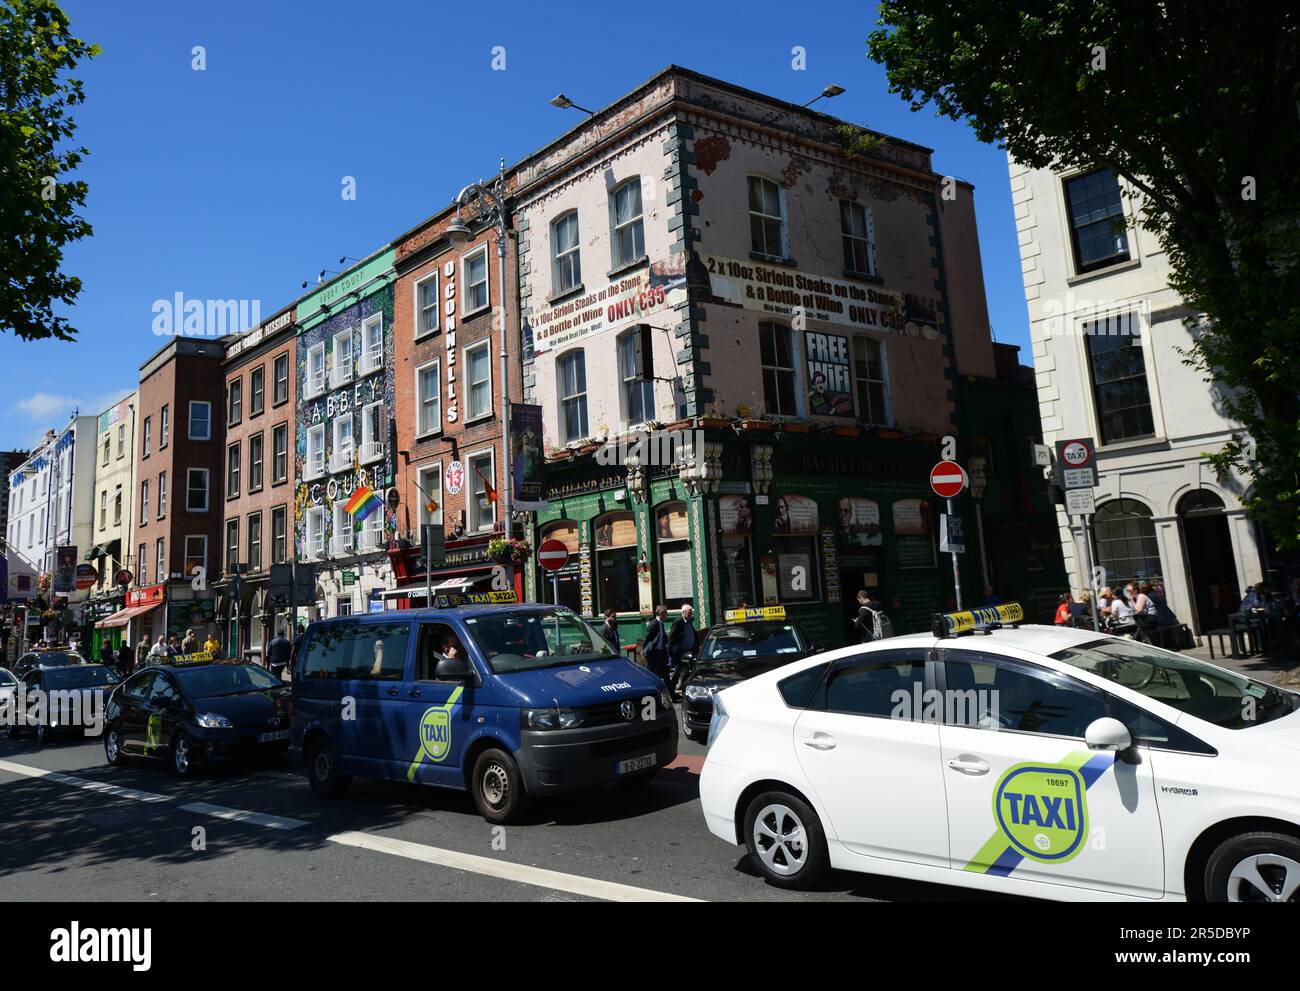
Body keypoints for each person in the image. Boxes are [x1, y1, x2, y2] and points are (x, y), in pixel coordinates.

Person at [666, 603, 699, 695]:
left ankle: (682, 688)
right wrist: (672, 651)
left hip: (688, 652)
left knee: (685, 671)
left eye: (691, 613)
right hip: (679, 652)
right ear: (684, 613)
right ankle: (671, 691)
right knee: (677, 671)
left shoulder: (689, 621)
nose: (691, 615)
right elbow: (672, 637)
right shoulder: (678, 622)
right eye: (689, 613)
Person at [641, 605, 670, 687]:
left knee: (665, 674)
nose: (667, 615)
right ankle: (646, 688)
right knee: (650, 673)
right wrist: (644, 650)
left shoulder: (661, 624)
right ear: (661, 614)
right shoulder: (653, 624)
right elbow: (648, 638)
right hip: (653, 654)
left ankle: (672, 695)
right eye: (666, 613)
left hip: (660, 653)